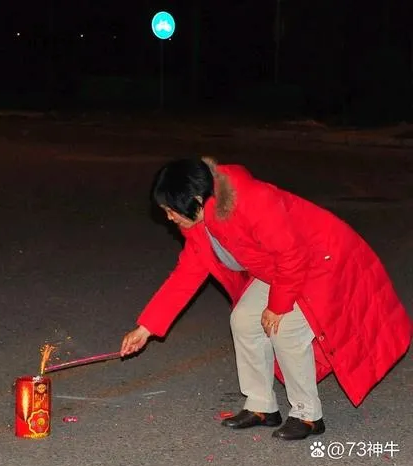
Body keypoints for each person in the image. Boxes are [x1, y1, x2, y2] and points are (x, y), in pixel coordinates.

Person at [120, 157, 412, 440]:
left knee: (285, 329)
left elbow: (293, 255)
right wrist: (146, 328)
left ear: (196, 199)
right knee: (244, 320)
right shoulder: (198, 223)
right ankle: (261, 406)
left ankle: (308, 414)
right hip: (282, 268)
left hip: (323, 261)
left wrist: (278, 306)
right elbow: (186, 275)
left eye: (171, 210)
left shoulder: (252, 200)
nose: (169, 218)